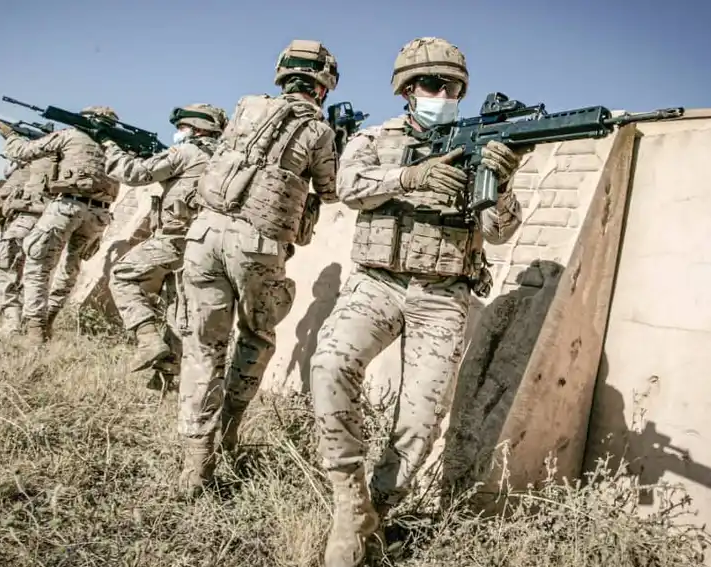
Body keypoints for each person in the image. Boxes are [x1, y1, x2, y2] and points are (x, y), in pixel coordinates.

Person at [309, 37, 528, 566]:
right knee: (330, 363)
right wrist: (410, 175)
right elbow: (349, 187)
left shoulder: (483, 146)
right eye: (430, 84)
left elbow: (499, 231)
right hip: (376, 283)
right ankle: (349, 503)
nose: (442, 92)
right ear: (407, 90)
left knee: (421, 419)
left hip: (442, 295)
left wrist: (501, 179)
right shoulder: (374, 138)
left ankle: (376, 515)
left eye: (451, 85)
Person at [177, 39, 340, 496]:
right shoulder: (318, 131)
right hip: (258, 245)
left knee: (202, 347)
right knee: (255, 337)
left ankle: (195, 461)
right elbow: (330, 191)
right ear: (324, 84)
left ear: (282, 73)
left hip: (203, 236)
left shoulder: (246, 106)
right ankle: (228, 434)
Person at [103, 103, 228, 375]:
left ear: (197, 127)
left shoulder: (187, 151)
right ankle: (167, 379)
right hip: (205, 246)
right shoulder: (224, 158)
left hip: (175, 239)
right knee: (178, 313)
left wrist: (110, 146)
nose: (178, 132)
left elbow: (134, 174)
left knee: (123, 275)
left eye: (182, 127)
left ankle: (147, 339)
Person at [0, 106, 120, 344]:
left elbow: (22, 151)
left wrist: (10, 135)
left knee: (38, 265)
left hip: (67, 207)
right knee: (70, 268)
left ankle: (35, 329)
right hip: (99, 215)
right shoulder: (116, 147)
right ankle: (50, 317)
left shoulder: (71, 136)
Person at [0, 153, 57, 339]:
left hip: (30, 219)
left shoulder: (49, 164)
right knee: (9, 267)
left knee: (14, 267)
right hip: (14, 219)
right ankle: (10, 315)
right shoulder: (26, 168)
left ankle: (13, 323)